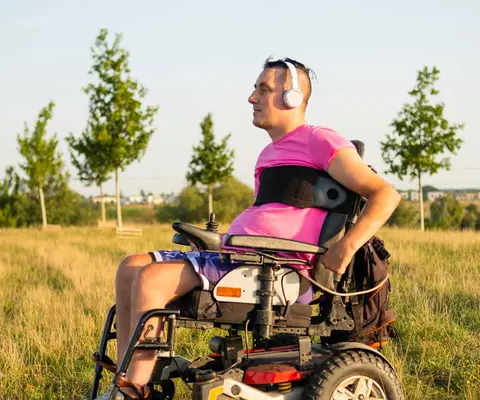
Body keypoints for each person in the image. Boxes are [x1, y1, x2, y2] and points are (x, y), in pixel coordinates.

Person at [96, 57, 401, 399]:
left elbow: (385, 194)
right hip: (243, 257)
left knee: (152, 279)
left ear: (293, 98)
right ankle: (123, 381)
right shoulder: (270, 154)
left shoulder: (320, 139)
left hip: (279, 271)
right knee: (130, 268)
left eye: (263, 89)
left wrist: (346, 247)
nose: (252, 97)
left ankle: (135, 392)